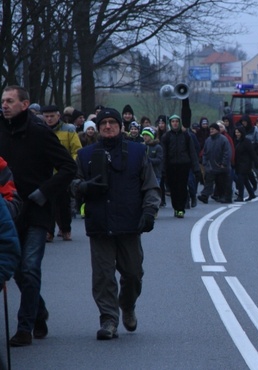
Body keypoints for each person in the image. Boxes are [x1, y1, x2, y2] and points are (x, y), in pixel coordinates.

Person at [71, 107, 160, 340]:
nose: (108, 126)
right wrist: (81, 187)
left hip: (129, 223)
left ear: (120, 126)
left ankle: (127, 305)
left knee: (133, 274)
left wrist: (149, 211)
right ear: (98, 128)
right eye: (103, 124)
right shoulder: (86, 154)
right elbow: (73, 183)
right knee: (103, 276)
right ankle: (109, 320)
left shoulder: (137, 152)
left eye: (112, 122)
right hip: (99, 223)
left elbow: (150, 186)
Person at [0, 85, 77, 347]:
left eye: (10, 100)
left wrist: (44, 192)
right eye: (3, 101)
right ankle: (39, 312)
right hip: (7, 211)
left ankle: (25, 327)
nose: (5, 105)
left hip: (36, 210)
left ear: (25, 104)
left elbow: (69, 167)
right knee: (17, 271)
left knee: (30, 268)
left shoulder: (40, 132)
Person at [41, 104, 82, 242]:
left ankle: (65, 229)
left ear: (58, 116)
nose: (49, 119)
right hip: (45, 173)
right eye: (46, 116)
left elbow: (77, 150)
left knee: (63, 203)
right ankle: (48, 231)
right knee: (47, 203)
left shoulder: (69, 129)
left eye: (52, 116)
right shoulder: (39, 130)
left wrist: (71, 166)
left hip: (63, 173)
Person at [160, 114, 201, 218]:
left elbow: (192, 152)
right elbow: (163, 154)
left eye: (177, 121)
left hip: (184, 165)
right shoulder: (166, 137)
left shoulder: (186, 136)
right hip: (171, 166)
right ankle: (176, 207)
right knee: (173, 189)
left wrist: (196, 169)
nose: (175, 123)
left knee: (182, 188)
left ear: (180, 123)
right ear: (170, 123)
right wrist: (163, 169)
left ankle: (181, 208)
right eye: (173, 121)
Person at [197, 123, 231, 204]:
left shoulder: (223, 139)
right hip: (210, 166)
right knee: (208, 181)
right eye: (210, 129)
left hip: (221, 166)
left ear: (217, 130)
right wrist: (205, 162)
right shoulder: (208, 140)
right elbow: (205, 152)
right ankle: (204, 196)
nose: (211, 130)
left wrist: (224, 163)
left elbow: (227, 152)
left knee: (221, 183)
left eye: (213, 129)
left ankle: (224, 197)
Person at [233, 126, 258, 202]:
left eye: (238, 132)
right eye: (236, 132)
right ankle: (251, 194)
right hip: (239, 164)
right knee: (245, 180)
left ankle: (240, 196)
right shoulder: (238, 141)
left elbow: (252, 153)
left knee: (241, 180)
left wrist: (256, 163)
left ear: (242, 133)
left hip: (245, 164)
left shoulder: (246, 141)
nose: (237, 134)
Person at [142, 127, 164, 204]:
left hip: (155, 174)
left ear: (151, 136)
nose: (145, 137)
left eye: (147, 135)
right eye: (143, 135)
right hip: (144, 174)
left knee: (154, 192)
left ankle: (155, 207)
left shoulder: (157, 147)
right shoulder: (141, 146)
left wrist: (148, 160)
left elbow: (159, 160)